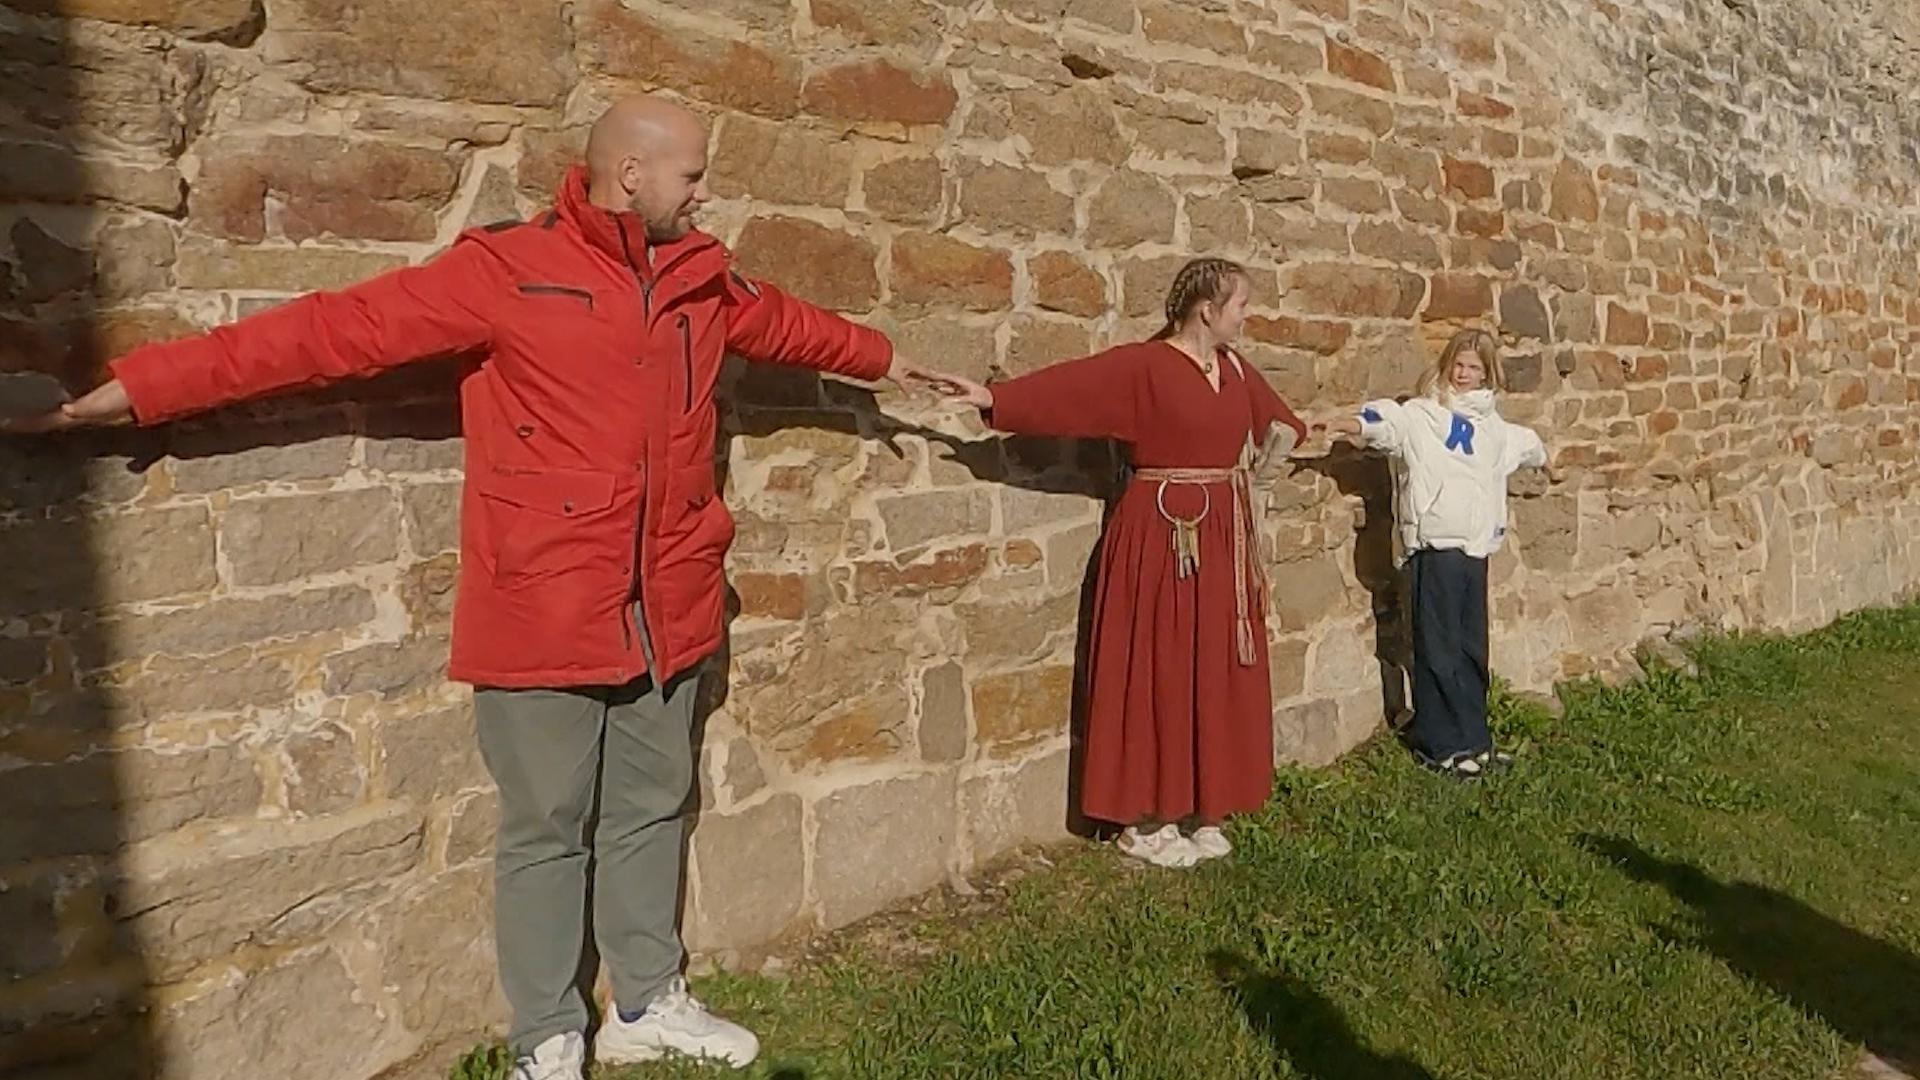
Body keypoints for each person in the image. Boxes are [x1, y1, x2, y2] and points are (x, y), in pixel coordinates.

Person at [4, 96, 956, 1079]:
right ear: (631, 174)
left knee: (653, 803)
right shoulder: (507, 270)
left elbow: (793, 326)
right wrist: (140, 390)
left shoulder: (699, 277)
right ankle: (547, 1033)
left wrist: (891, 361)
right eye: (693, 174)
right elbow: (327, 334)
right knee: (547, 827)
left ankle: (644, 1001)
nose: (706, 192)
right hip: (544, 607)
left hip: (669, 604)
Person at [942, 257, 1308, 868]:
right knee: (1160, 662)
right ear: (1208, 310)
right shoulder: (1144, 366)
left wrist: (1279, 453)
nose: (1247, 317)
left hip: (1222, 536)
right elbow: (1072, 390)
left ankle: (1203, 804)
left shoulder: (1235, 369)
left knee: (1210, 660)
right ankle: (1145, 818)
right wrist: (993, 398)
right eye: (1241, 306)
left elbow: (1282, 423)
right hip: (1159, 533)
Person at [1323, 328, 1547, 781]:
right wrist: (1350, 424)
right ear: (1447, 365)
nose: (1463, 375)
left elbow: (1527, 444)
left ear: (1486, 374)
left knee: (1470, 647)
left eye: (1473, 368)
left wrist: (1548, 460)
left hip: (1474, 547)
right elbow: (1386, 423)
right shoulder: (1422, 416)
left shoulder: (1492, 428)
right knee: (1438, 647)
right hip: (1435, 545)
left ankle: (1475, 740)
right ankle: (1441, 744)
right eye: (1458, 365)